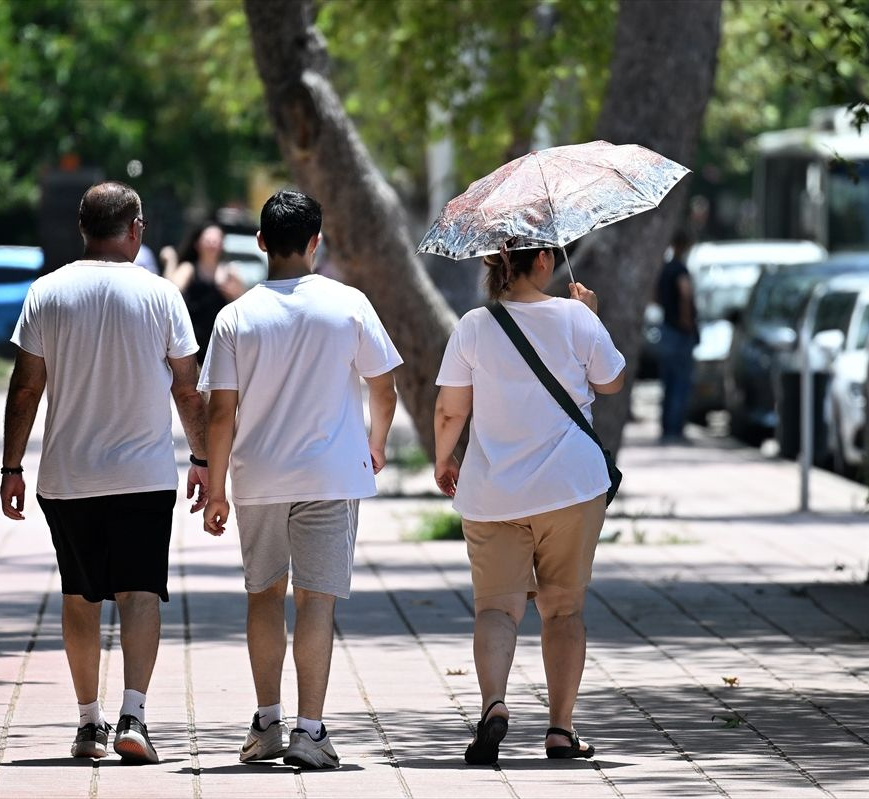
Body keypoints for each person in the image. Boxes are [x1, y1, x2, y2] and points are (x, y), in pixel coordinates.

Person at [0, 181, 209, 765]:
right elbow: (188, 390)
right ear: (136, 230)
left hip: (67, 477)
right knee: (140, 593)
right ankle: (134, 717)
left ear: (82, 230)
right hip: (143, 474)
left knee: (79, 596)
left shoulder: (46, 292)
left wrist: (12, 466)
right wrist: (204, 459)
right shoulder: (162, 294)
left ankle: (89, 724)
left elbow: (26, 386)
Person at [199, 190, 401, 770]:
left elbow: (220, 411)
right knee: (317, 600)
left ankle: (266, 723)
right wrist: (376, 443)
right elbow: (383, 385)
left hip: (257, 475)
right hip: (331, 475)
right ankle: (310, 733)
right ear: (317, 241)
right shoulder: (348, 304)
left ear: (261, 243)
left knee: (263, 594)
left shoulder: (235, 316)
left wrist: (215, 489)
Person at [433, 245, 625, 765]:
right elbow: (610, 382)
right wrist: (589, 317)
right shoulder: (576, 318)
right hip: (571, 489)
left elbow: (451, 409)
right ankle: (561, 730)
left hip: (493, 492)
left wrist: (444, 459)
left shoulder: (473, 325)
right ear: (543, 260)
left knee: (496, 608)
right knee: (563, 609)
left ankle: (494, 705)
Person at [162, 222, 247, 363]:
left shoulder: (230, 272)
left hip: (220, 346)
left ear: (222, 244)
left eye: (216, 240)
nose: (212, 243)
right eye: (208, 239)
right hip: (191, 346)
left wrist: (234, 294)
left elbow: (245, 307)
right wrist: (171, 261)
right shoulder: (189, 269)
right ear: (197, 244)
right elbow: (169, 292)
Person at [655, 230, 698, 443]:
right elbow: (685, 293)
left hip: (666, 330)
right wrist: (687, 321)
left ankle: (666, 428)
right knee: (680, 382)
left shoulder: (665, 269)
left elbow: (655, 297)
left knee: (668, 382)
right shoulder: (680, 269)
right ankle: (675, 430)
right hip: (679, 333)